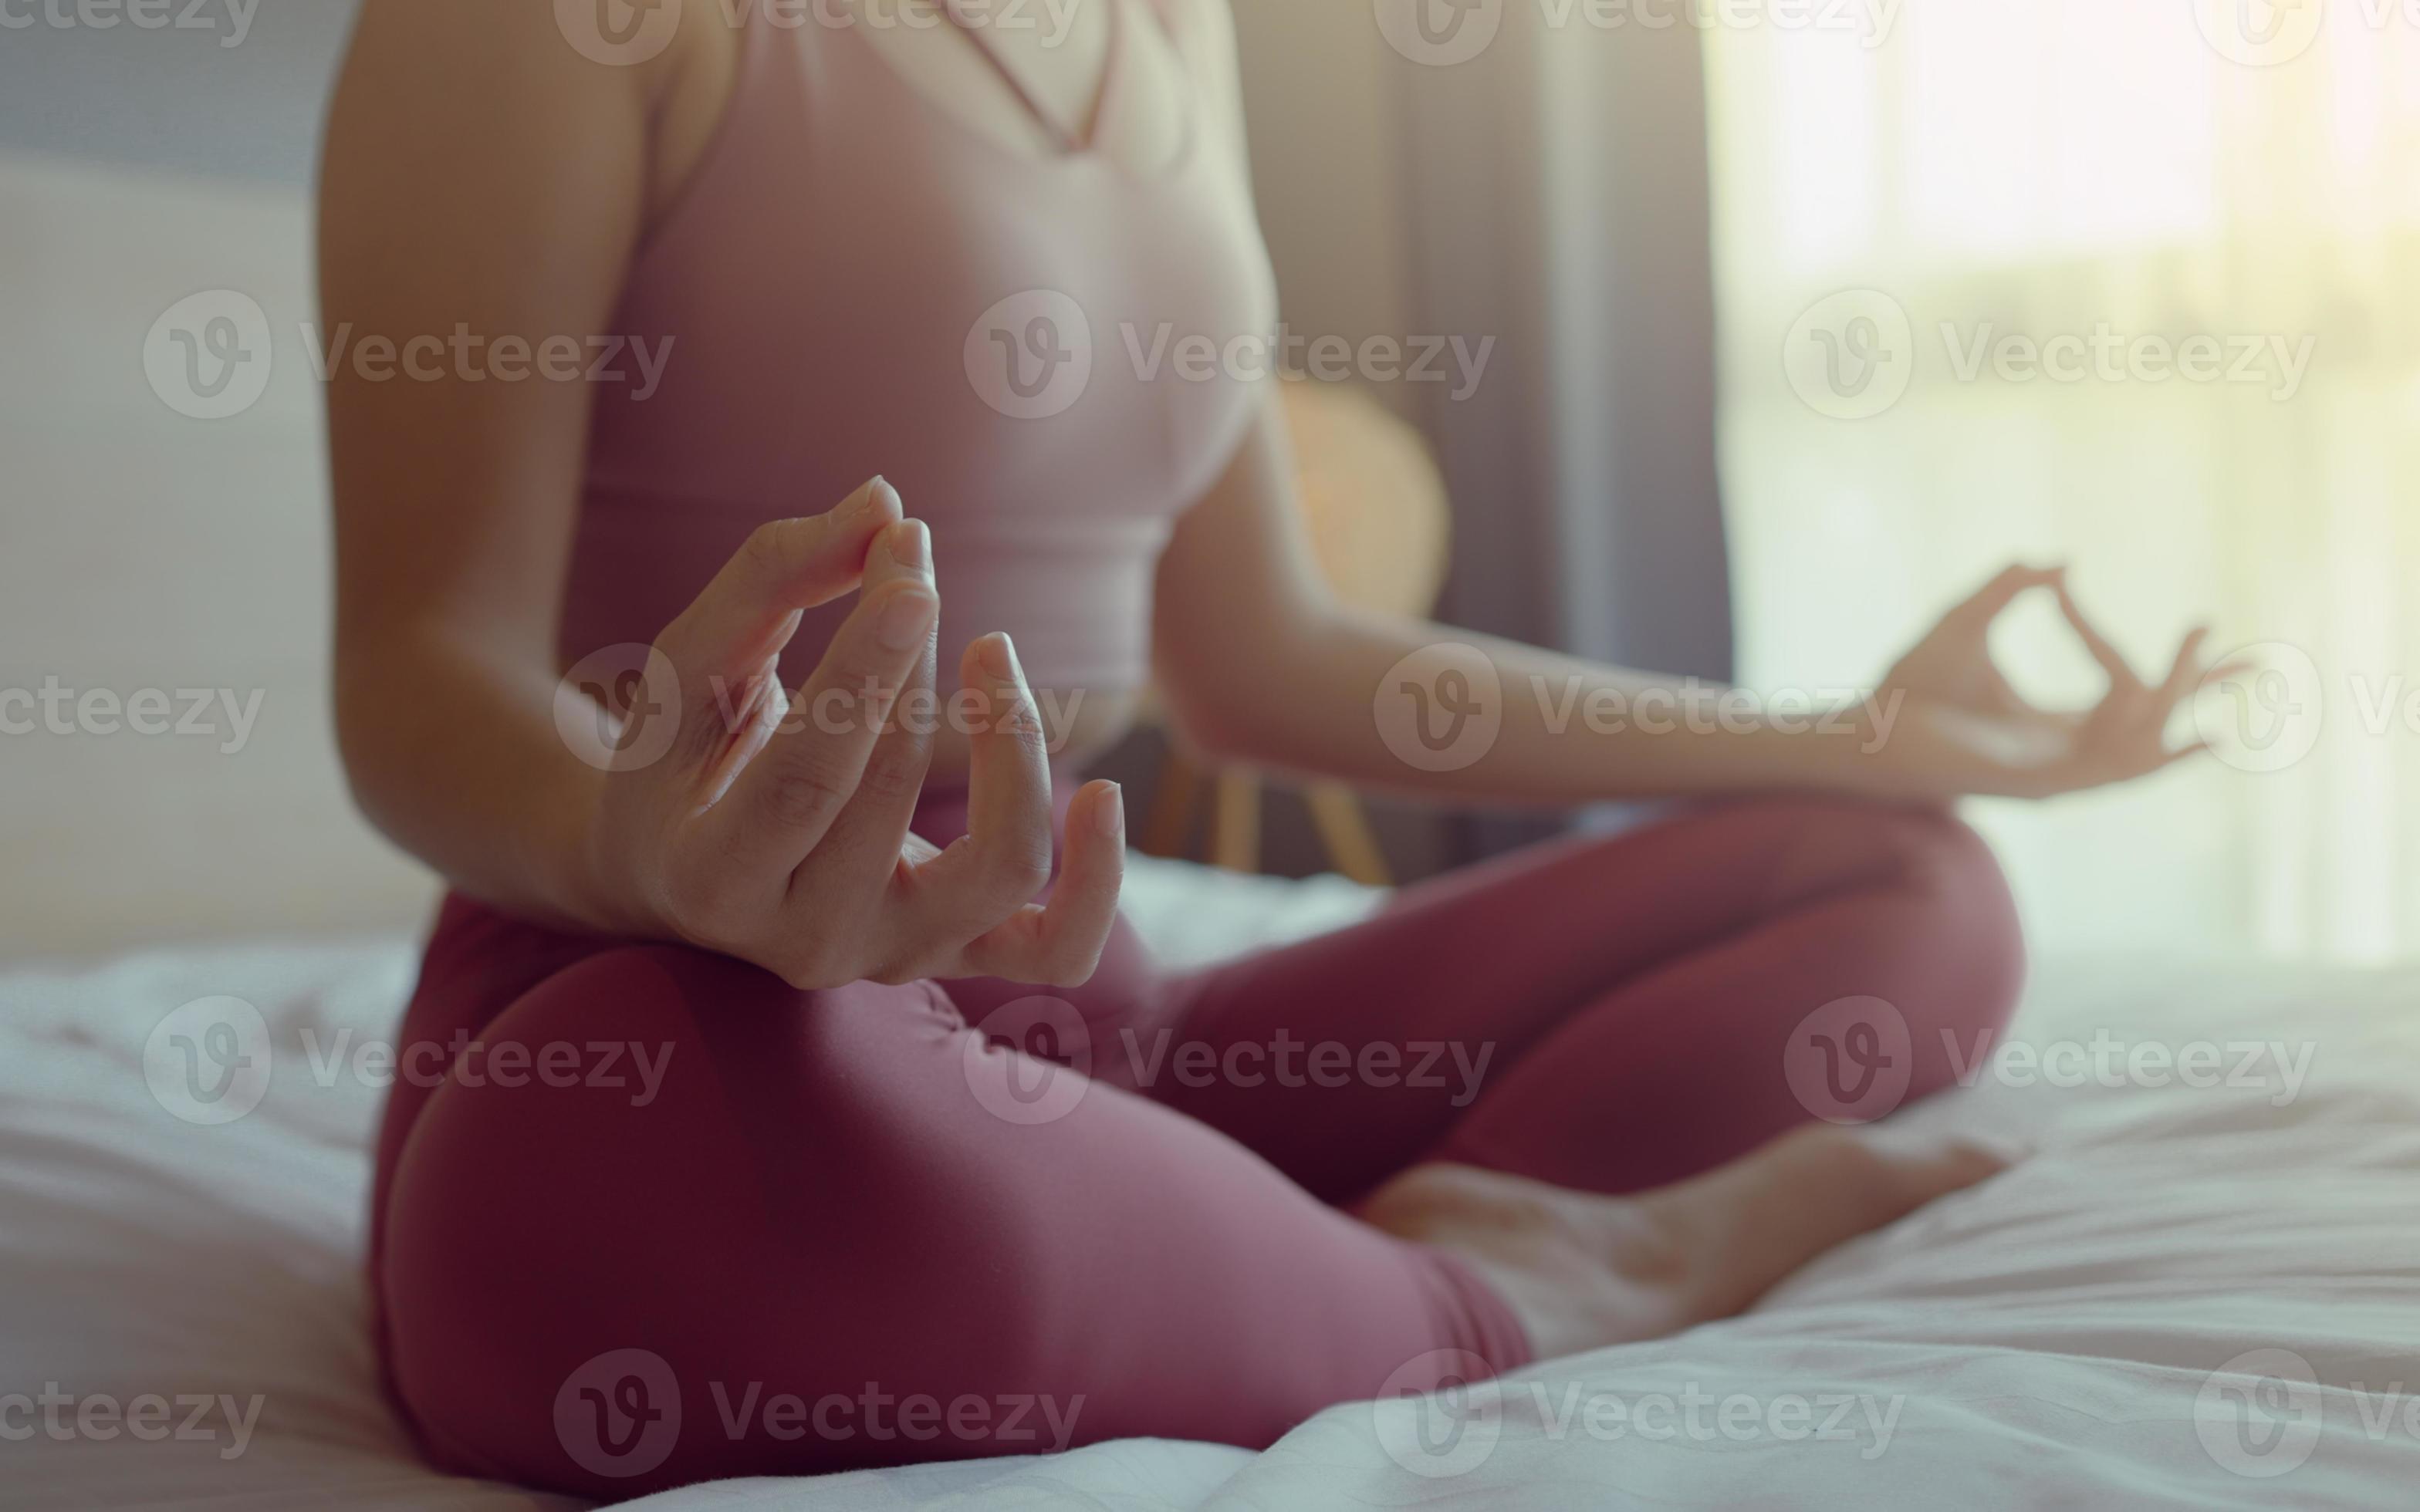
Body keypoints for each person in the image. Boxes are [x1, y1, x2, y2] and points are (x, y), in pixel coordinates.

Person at [320, 0, 2222, 1496]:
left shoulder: (1165, 21)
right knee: (563, 1187)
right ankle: (1512, 1285)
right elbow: (421, 674)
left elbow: (1270, 657)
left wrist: (1847, 735)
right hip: (683, 991)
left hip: (1076, 1014)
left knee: (1896, 875)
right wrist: (655, 851)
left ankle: (1308, 1240)